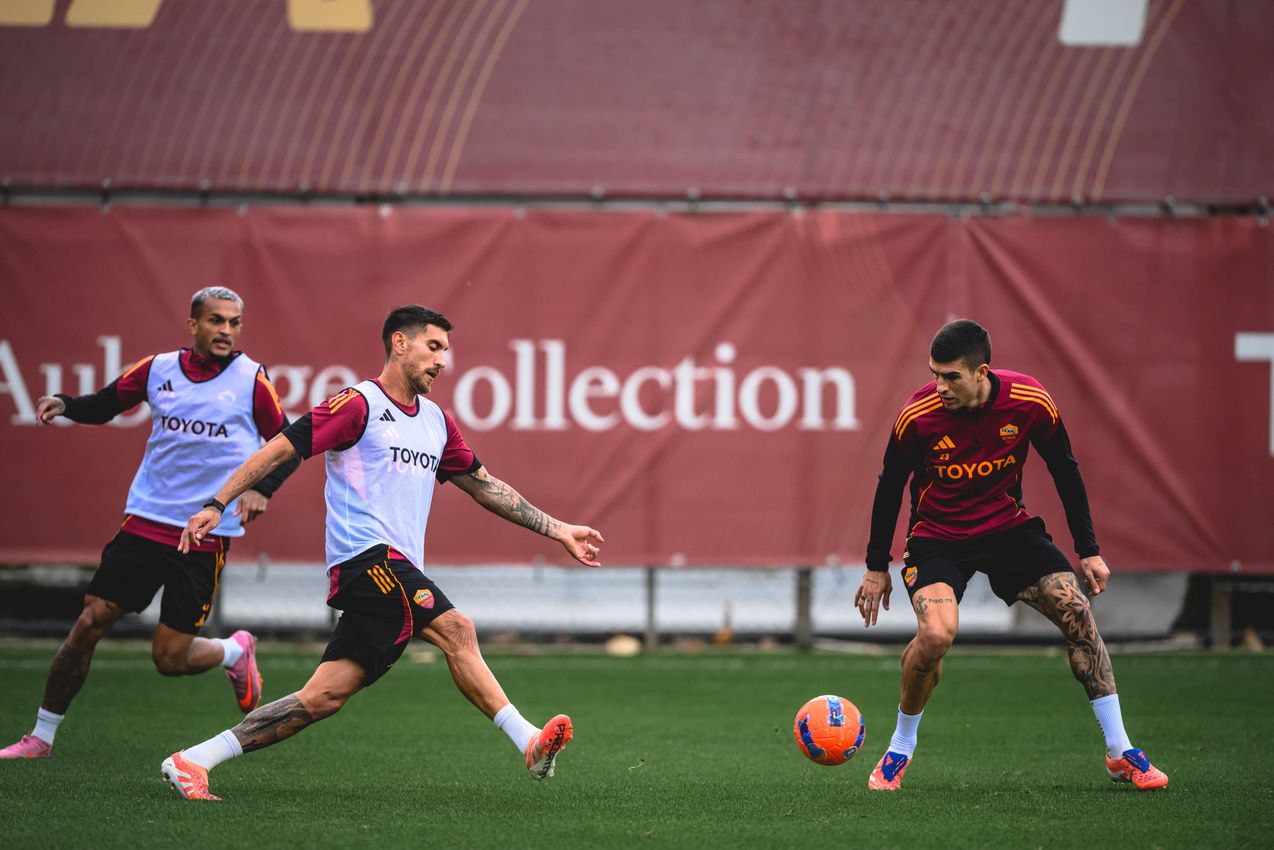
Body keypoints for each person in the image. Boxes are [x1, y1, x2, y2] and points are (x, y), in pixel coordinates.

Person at [161, 305, 604, 801]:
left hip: (394, 571)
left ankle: (194, 760)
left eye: (446, 351)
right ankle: (528, 741)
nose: (442, 361)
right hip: (365, 560)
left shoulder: (437, 422)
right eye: (433, 347)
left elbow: (485, 486)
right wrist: (217, 502)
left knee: (322, 697)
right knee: (457, 629)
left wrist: (558, 529)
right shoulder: (358, 404)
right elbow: (282, 446)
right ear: (399, 343)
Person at [854, 319, 1168, 791]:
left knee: (1077, 611)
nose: (940, 386)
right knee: (936, 636)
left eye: (951, 377)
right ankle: (901, 746)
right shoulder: (918, 415)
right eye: (934, 375)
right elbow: (889, 485)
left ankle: (1120, 750)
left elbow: (1064, 468)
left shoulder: (1029, 401)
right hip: (937, 537)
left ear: (982, 372)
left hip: (1007, 532)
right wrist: (876, 566)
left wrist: (1089, 550)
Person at [1, 286, 299, 759]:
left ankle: (234, 650)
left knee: (169, 660)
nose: (226, 330)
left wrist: (263, 488)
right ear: (193, 324)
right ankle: (40, 737)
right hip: (145, 520)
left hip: (204, 534)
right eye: (216, 320)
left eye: (234, 322)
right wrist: (66, 403)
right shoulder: (158, 368)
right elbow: (106, 403)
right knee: (88, 623)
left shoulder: (251, 379)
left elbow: (288, 443)